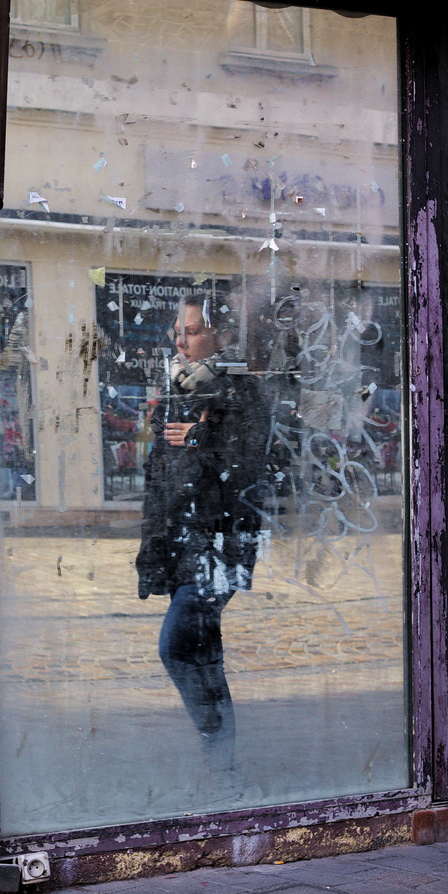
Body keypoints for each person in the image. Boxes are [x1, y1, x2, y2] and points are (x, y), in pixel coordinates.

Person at [136, 292, 269, 773]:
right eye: (179, 331)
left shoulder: (242, 391)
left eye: (192, 331)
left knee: (175, 644)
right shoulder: (177, 388)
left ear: (221, 337)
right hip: (180, 541)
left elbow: (254, 462)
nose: (182, 340)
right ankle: (223, 763)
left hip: (221, 542)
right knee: (203, 652)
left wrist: (201, 436)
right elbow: (160, 473)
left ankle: (219, 752)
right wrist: (152, 546)